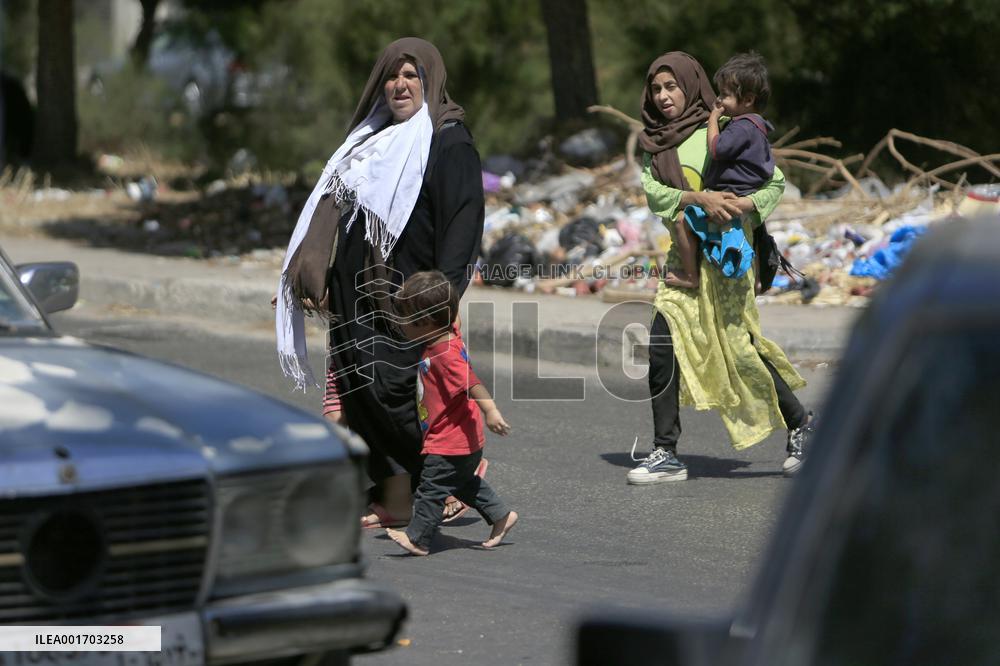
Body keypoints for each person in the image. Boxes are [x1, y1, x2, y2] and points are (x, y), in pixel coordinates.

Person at [275, 38, 485, 525]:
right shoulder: (369, 140)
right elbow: (333, 217)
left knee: (395, 395)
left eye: (411, 75)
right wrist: (307, 274)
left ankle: (453, 477)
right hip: (354, 296)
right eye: (392, 75)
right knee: (361, 395)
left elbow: (462, 226)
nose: (400, 85)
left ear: (430, 80)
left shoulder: (448, 140)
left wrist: (442, 299)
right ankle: (396, 498)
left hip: (408, 301)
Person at [627, 51, 815, 484]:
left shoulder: (728, 127)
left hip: (727, 256)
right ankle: (665, 451)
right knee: (662, 344)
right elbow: (654, 193)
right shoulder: (657, 144)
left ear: (691, 86)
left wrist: (745, 205)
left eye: (671, 87)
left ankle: (802, 423)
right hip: (684, 258)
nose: (663, 97)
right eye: (656, 89)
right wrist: (698, 198)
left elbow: (774, 182)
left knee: (739, 347)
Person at [385, 271, 518, 556]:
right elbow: (454, 315)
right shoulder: (447, 333)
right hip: (463, 440)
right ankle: (501, 515)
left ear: (426, 321)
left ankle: (418, 539)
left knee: (431, 488)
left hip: (450, 441)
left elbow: (471, 382)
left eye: (405, 317)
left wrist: (491, 411)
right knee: (463, 483)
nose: (400, 323)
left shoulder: (445, 354)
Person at [664, 51, 774, 291]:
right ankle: (756, 278)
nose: (720, 100)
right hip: (743, 199)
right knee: (744, 235)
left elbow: (716, 148)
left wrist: (713, 118)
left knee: (681, 222)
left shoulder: (741, 127)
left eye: (725, 95)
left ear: (748, 99)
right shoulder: (759, 127)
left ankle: (691, 276)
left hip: (728, 197)